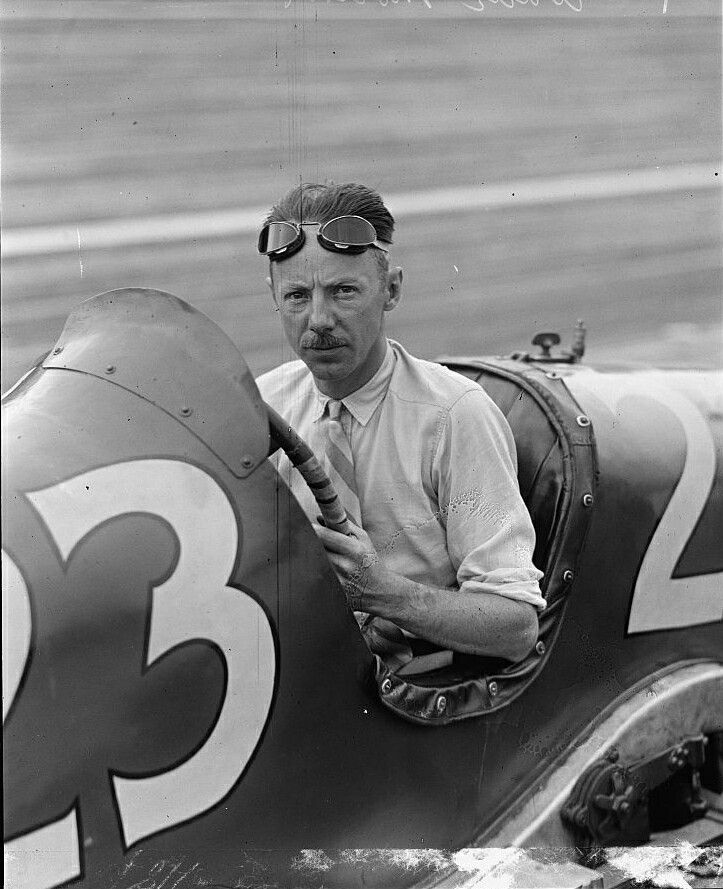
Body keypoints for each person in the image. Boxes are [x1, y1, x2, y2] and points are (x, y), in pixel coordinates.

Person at [255, 182, 544, 665]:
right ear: (273, 297)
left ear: (391, 290)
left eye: (344, 291)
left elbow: (516, 627)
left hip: (418, 695)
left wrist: (382, 593)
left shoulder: (455, 417)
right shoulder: (263, 404)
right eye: (297, 296)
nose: (318, 319)